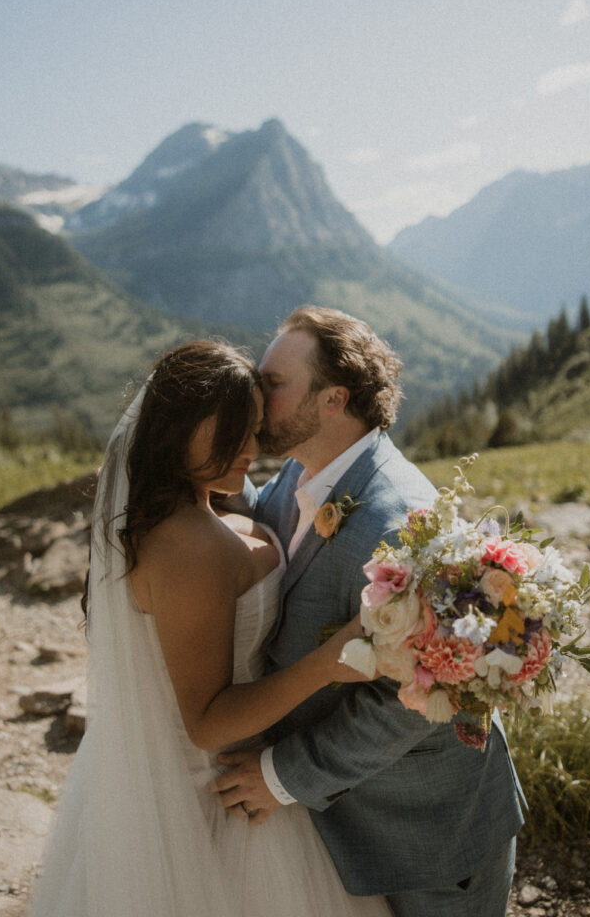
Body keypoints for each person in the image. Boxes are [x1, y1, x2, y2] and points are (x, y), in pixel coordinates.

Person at [27, 339, 392, 917]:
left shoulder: (199, 509)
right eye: (233, 432)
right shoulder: (188, 547)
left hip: (216, 779)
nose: (252, 448)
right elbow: (206, 722)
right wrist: (329, 662)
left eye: (252, 428)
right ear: (178, 428)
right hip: (211, 793)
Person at [214, 306, 526, 917]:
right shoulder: (304, 476)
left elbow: (411, 703)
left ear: (334, 399)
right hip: (354, 816)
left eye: (273, 384)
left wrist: (283, 776)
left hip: (430, 835)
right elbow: (273, 529)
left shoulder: (400, 522)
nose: (256, 397)